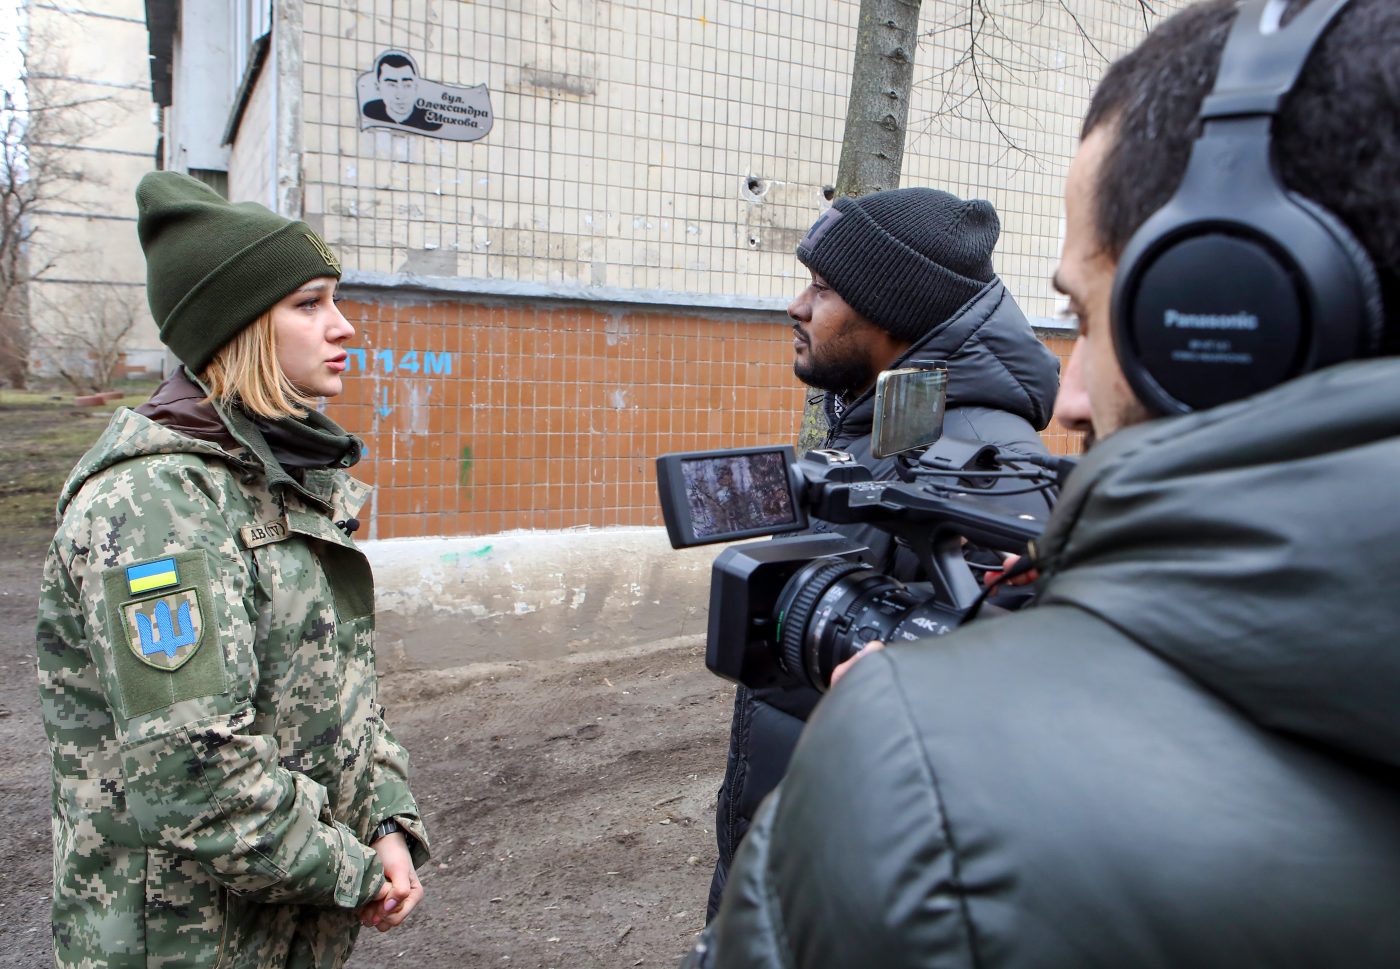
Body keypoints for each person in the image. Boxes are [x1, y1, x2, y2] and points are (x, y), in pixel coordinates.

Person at [686, 0, 1400, 965]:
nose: (1066, 399)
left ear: (1235, 317)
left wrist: (905, 742)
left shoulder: (923, 784)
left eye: (1095, 312)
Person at [36, 172, 430, 968]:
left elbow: (342, 696)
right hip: (184, 941)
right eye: (309, 302)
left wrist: (385, 818)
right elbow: (199, 779)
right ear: (240, 324)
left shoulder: (274, 480)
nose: (344, 326)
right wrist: (353, 870)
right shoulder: (155, 505)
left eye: (335, 299)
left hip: (270, 933)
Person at [708, 187, 1061, 918]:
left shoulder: (985, 469)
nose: (796, 306)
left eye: (824, 288)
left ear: (892, 310)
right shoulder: (882, 427)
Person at [362, 51, 442, 131]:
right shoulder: (370, 112)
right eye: (392, 85)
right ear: (378, 88)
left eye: (407, 85)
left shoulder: (431, 121)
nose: (400, 95)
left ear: (416, 87)